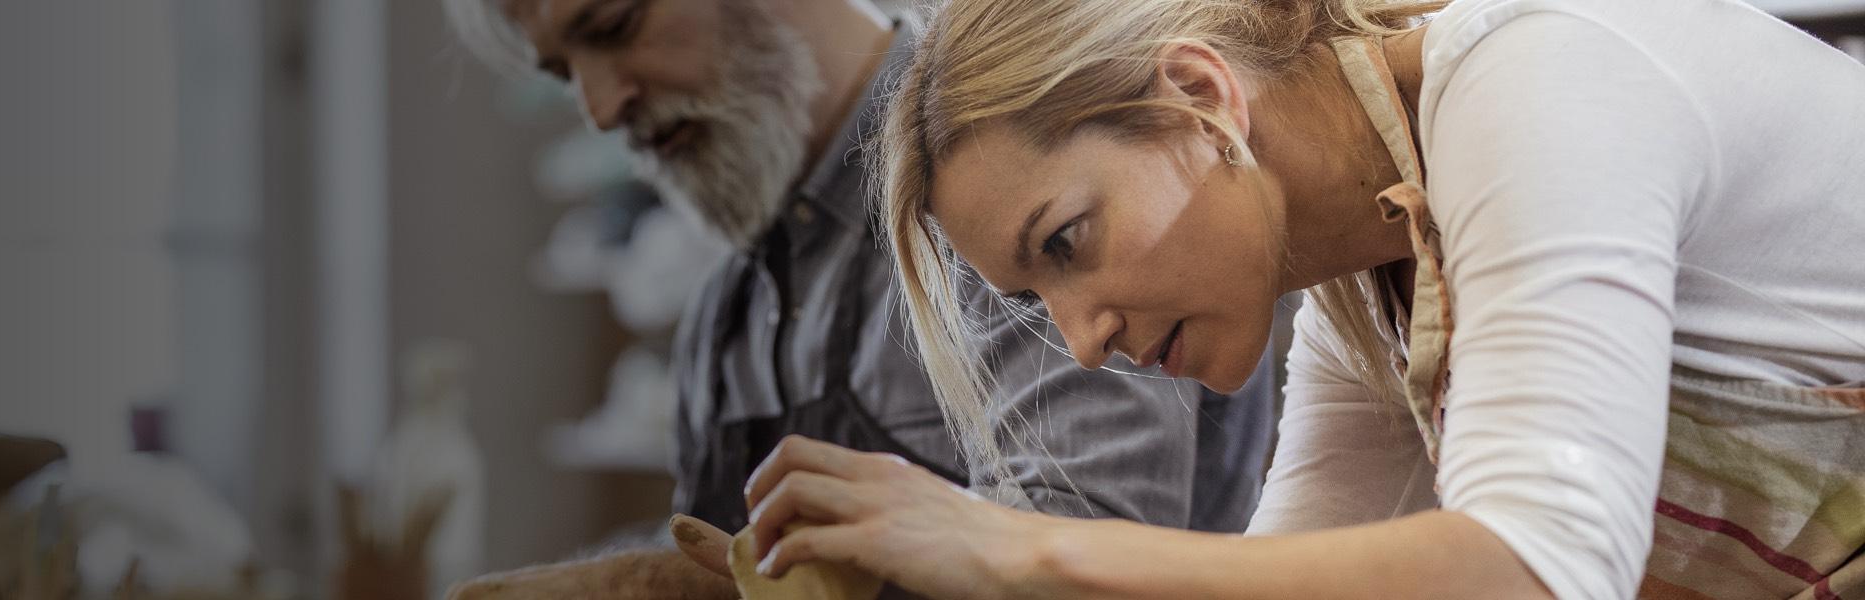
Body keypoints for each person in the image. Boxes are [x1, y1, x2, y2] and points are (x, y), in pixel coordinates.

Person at [738, 0, 1865, 598]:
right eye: (1036, 297)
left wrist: (1012, 552)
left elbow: (1531, 573)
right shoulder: (1365, 292)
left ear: (1196, 98)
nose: (1082, 342)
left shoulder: (1538, 81)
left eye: (1067, 241)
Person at [438, 0, 1280, 597]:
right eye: (563, 70)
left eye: (616, 26)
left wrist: (663, 589)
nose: (599, 105)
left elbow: (1089, 566)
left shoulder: (1010, 182)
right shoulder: (725, 320)